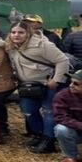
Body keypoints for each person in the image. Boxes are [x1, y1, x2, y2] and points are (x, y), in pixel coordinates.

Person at [6, 20, 69, 154]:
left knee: (48, 111)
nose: (16, 35)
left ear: (28, 33)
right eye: (13, 32)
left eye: (21, 32)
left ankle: (49, 140)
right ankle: (39, 134)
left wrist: (56, 80)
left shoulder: (42, 45)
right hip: (28, 86)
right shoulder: (11, 47)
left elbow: (62, 60)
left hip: (47, 84)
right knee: (28, 110)